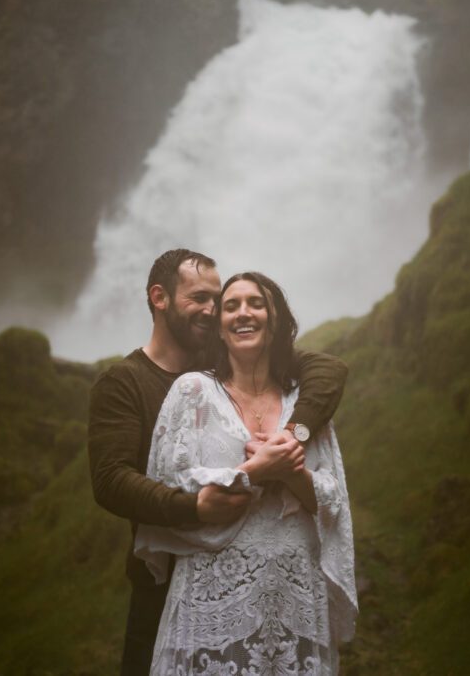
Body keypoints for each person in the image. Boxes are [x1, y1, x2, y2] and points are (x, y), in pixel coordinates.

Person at [87, 250, 348, 675]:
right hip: (165, 578)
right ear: (160, 297)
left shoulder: (226, 360)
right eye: (200, 297)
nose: (211, 309)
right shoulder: (125, 381)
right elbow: (110, 480)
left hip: (262, 585)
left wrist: (291, 435)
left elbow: (328, 369)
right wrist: (191, 508)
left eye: (217, 298)